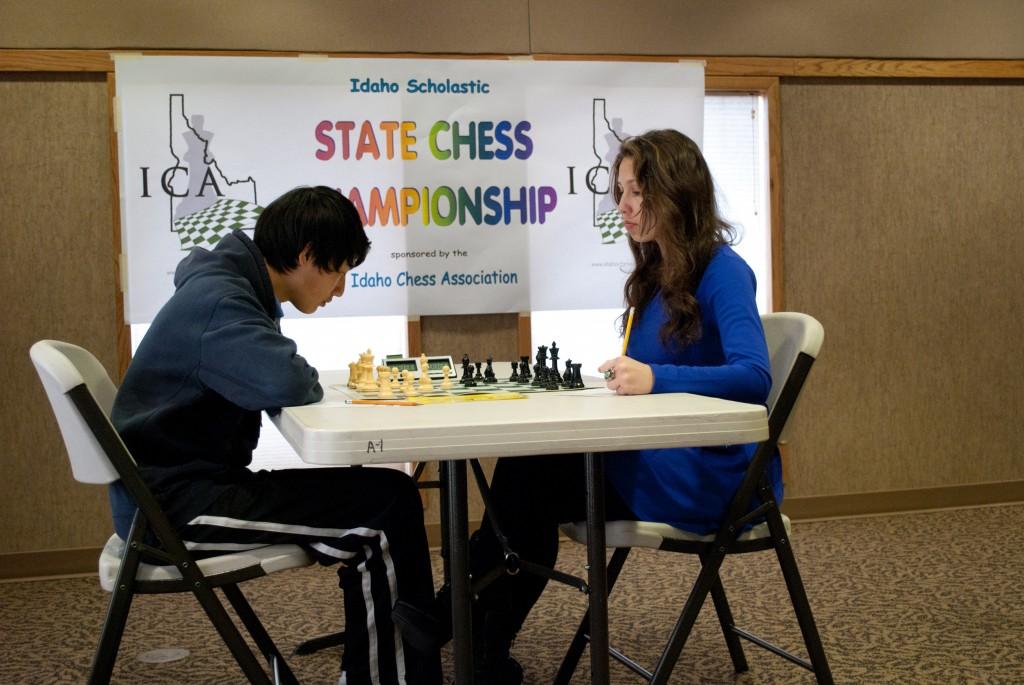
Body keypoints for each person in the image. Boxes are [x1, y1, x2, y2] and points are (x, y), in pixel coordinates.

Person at [464, 129, 777, 683]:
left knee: (531, 480)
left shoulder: (724, 271)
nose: (622, 206)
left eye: (636, 192)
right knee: (526, 470)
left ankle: (460, 625)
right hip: (660, 452)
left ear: (677, 193)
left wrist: (656, 376)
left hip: (707, 474)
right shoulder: (656, 273)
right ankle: (472, 632)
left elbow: (754, 377)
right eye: (619, 191)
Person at [109, 186, 441, 685]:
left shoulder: (223, 285)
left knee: (387, 497)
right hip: (173, 509)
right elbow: (288, 380)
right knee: (384, 512)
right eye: (340, 270)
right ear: (307, 256)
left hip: (172, 490)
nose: (341, 289)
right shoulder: (222, 301)